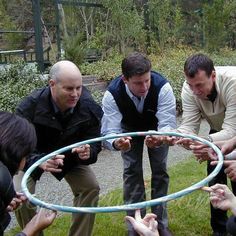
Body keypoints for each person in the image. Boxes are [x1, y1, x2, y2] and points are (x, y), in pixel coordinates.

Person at [14, 60, 103, 236]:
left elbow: (95, 141)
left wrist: (88, 151)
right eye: (69, 89)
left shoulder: (88, 106)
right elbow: (17, 147)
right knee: (20, 193)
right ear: (52, 84)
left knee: (90, 187)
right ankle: (31, 233)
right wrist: (38, 161)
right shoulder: (29, 107)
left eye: (79, 88)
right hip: (33, 156)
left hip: (70, 157)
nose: (75, 94)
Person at [101, 52, 176, 236]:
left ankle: (159, 225)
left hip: (157, 127)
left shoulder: (163, 88)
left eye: (147, 80)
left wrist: (161, 137)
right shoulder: (112, 94)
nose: (144, 87)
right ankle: (136, 225)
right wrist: (117, 143)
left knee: (160, 170)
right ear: (125, 79)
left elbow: (167, 125)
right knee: (132, 171)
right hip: (128, 129)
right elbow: (109, 132)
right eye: (138, 83)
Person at [166, 54, 236, 236]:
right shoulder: (189, 88)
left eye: (199, 85)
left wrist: (205, 143)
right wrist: (176, 137)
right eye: (190, 85)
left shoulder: (233, 82)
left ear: (213, 76)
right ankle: (219, 231)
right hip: (215, 133)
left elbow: (231, 130)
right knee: (214, 183)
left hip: (233, 133)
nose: (194, 90)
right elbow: (188, 126)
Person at [0, 111, 56, 235]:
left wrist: (3, 205)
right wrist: (31, 229)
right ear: (15, 154)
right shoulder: (2, 181)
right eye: (26, 155)